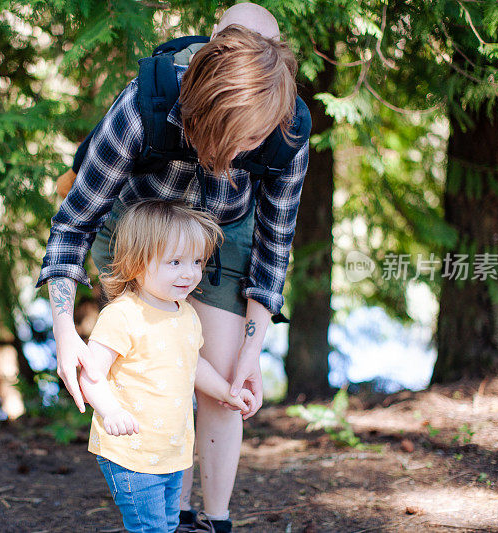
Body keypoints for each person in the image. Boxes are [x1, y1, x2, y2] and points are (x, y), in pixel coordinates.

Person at [37, 5, 308, 532]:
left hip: (226, 231)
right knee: (160, 367)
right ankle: (172, 516)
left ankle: (215, 520)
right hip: (142, 225)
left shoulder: (285, 130)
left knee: (224, 379)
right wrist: (66, 333)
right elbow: (72, 227)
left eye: (250, 145)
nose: (236, 159)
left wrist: (252, 352)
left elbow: (274, 247)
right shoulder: (145, 110)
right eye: (229, 142)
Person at [79, 200, 255, 533]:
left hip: (173, 451)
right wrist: (110, 411)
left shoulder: (185, 312)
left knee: (170, 524)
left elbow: (194, 365)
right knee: (151, 528)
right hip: (131, 453)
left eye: (197, 261)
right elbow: (91, 373)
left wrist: (227, 393)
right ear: (136, 262)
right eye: (175, 262)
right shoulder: (122, 315)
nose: (190, 273)